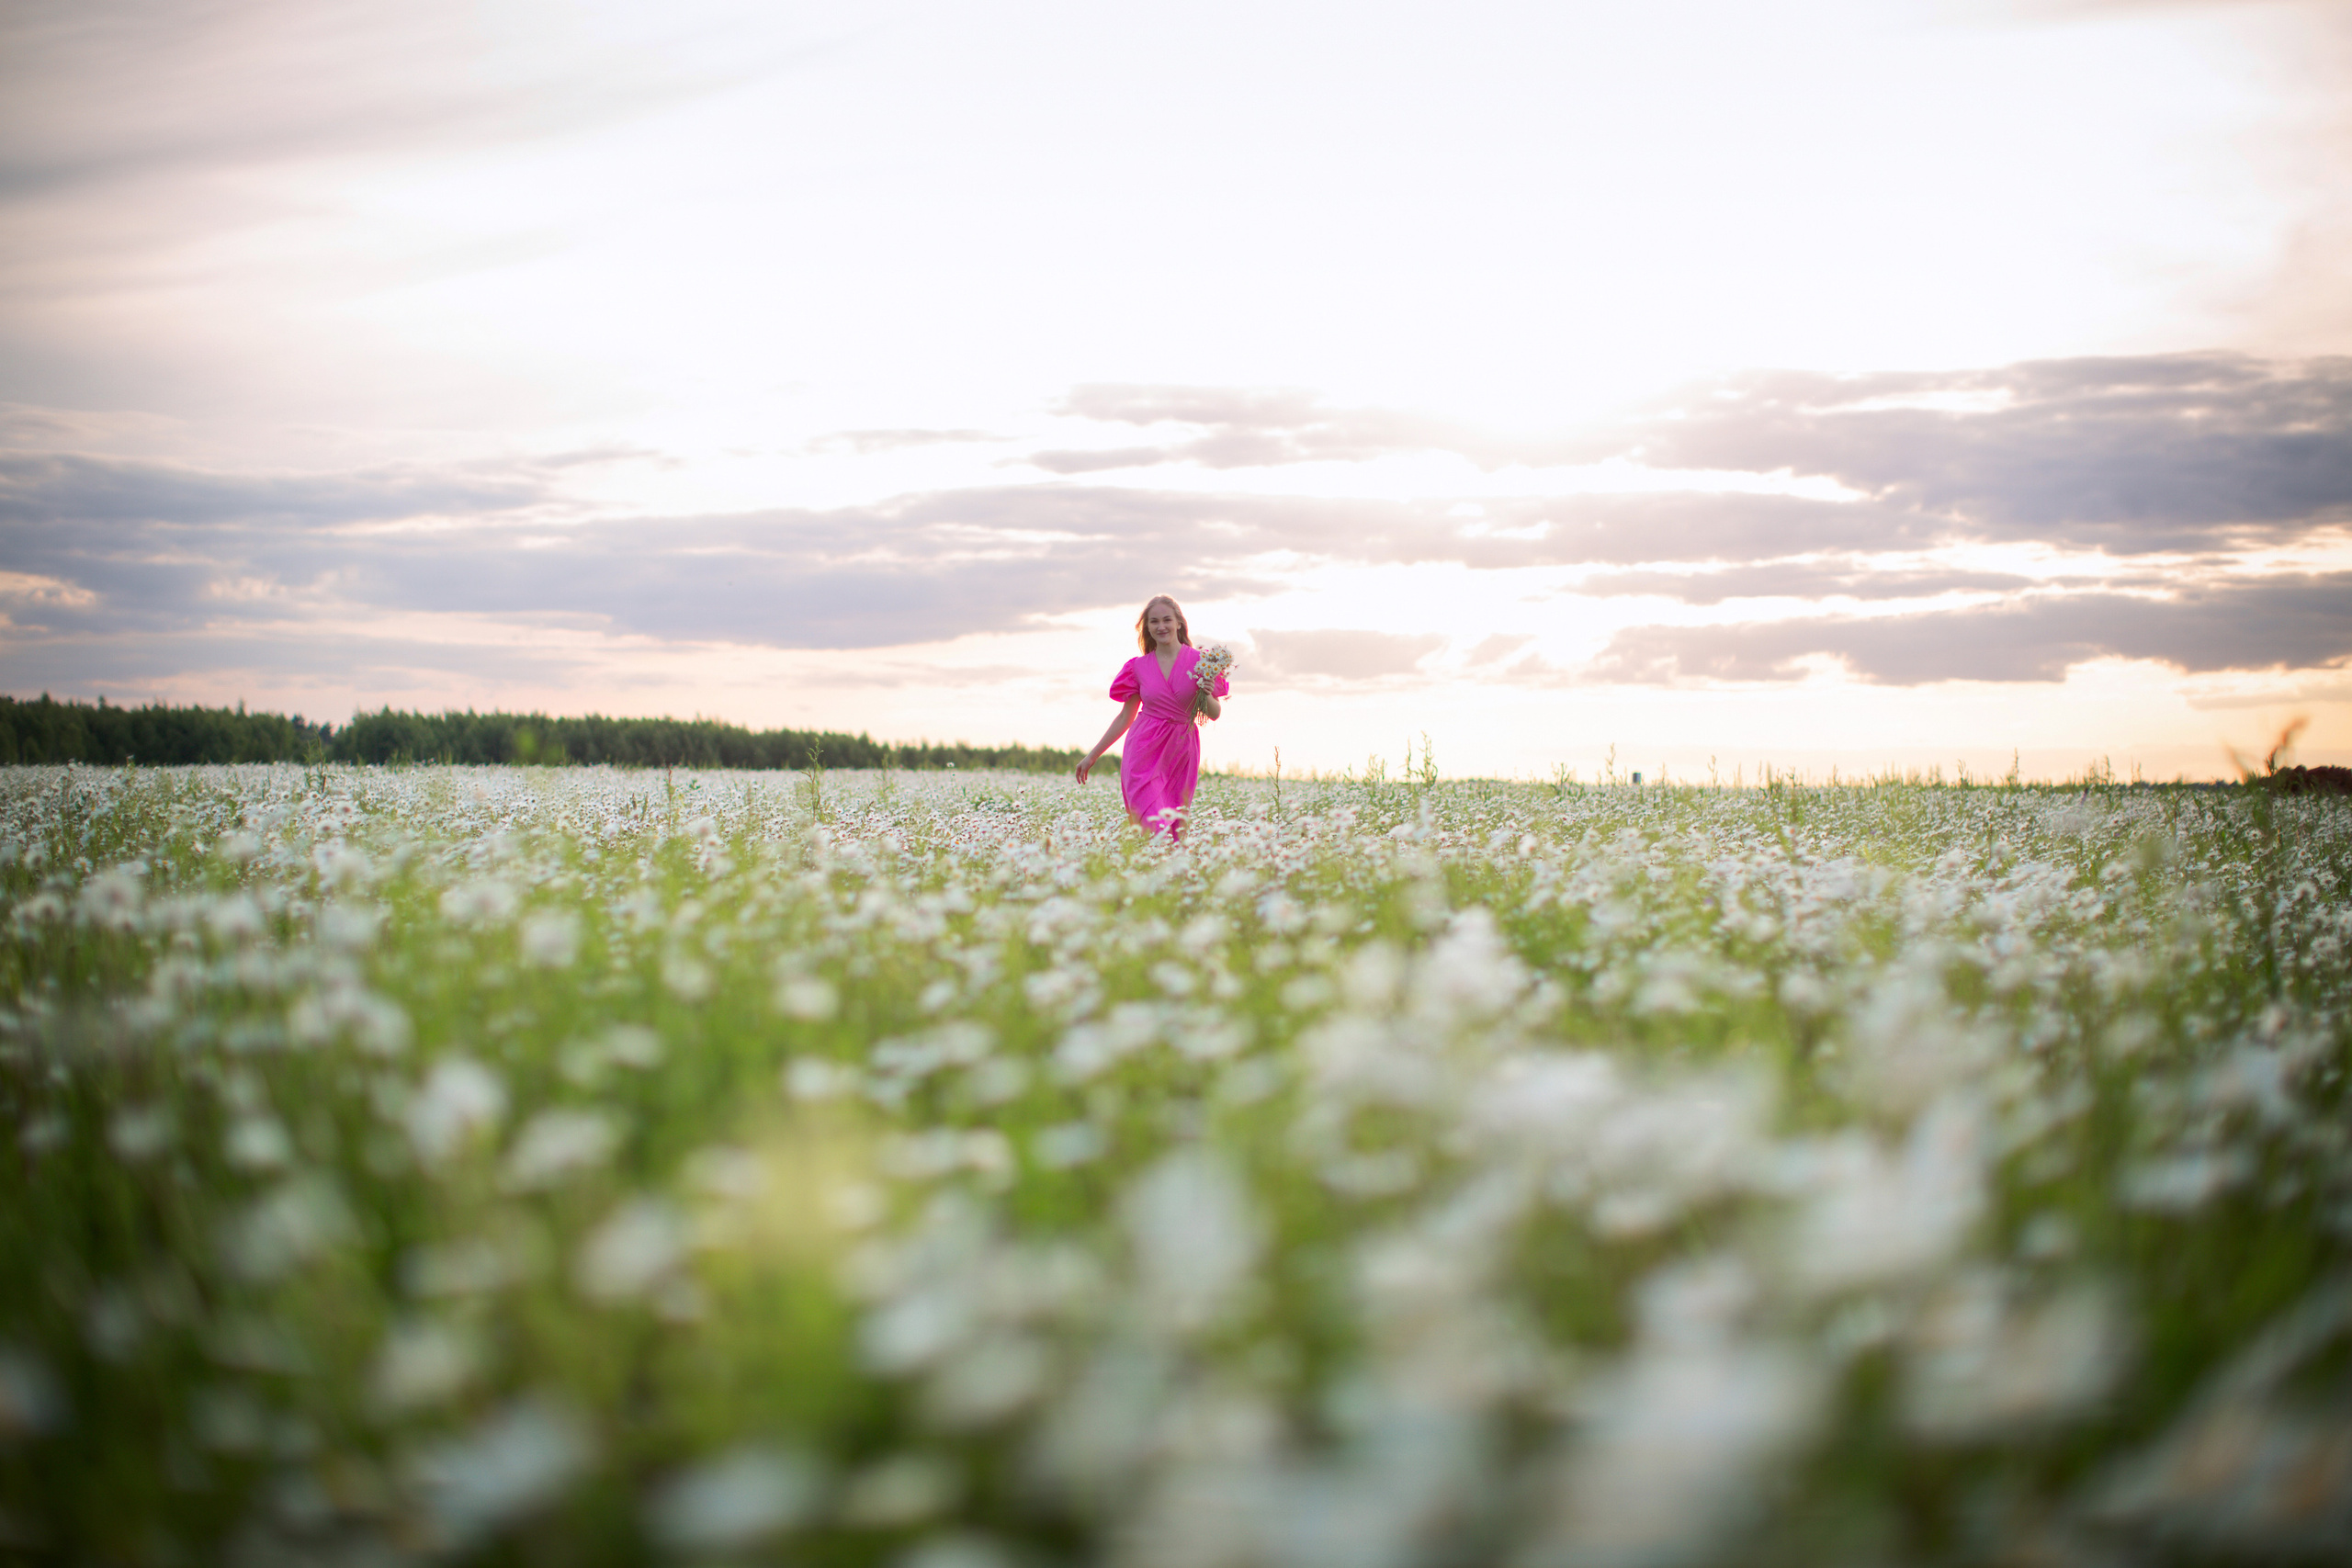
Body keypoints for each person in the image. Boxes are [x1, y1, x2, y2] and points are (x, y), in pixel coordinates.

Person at [1076, 594, 1227, 838]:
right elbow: (1125, 717)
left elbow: (1215, 713)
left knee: (1175, 826)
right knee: (1149, 824)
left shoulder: (1200, 662)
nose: (1161, 626)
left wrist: (1207, 693)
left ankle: (1170, 863)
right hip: (1142, 750)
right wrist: (1092, 756)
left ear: (1179, 623)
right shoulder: (1137, 667)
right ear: (1147, 627)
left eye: (1167, 620)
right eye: (1154, 621)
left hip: (1180, 751)